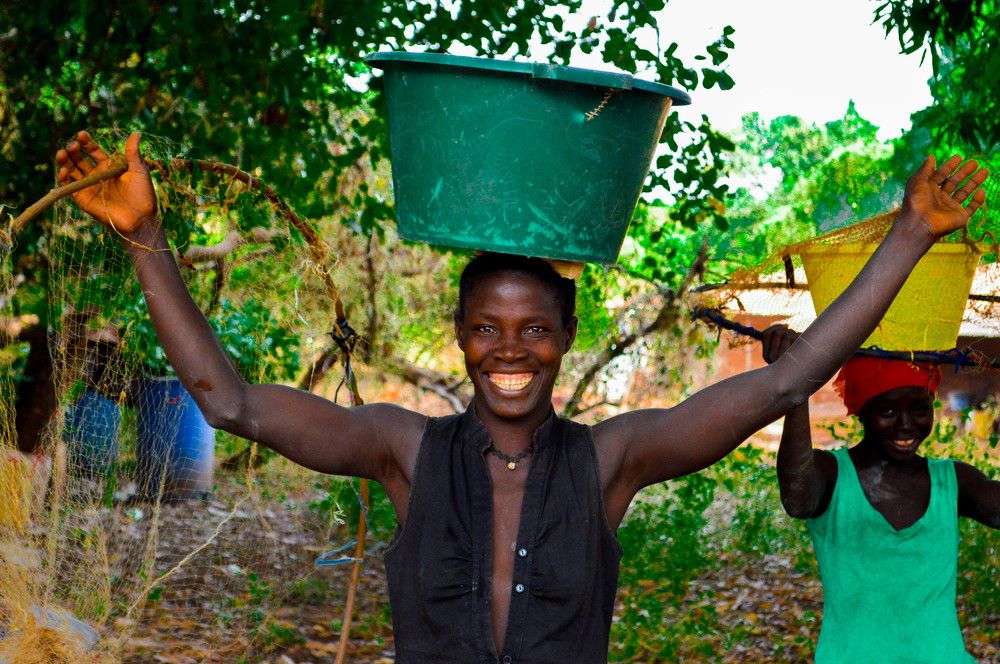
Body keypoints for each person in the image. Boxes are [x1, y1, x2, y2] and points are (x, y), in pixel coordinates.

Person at [56, 129, 987, 663]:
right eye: (488, 328)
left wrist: (907, 234)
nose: (511, 350)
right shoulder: (403, 449)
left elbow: (787, 378)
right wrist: (145, 236)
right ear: (460, 336)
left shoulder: (610, 462)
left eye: (535, 329)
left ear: (565, 340)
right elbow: (233, 406)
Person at [761, 327, 1000, 663]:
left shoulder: (952, 481)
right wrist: (795, 386)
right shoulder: (832, 475)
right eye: (887, 412)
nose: (905, 425)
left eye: (918, 409)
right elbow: (797, 499)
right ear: (861, 411)